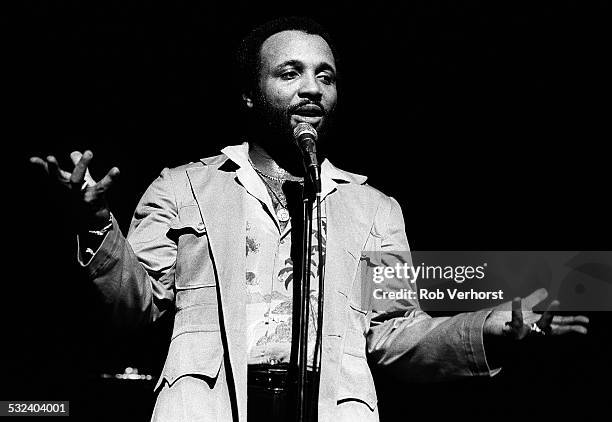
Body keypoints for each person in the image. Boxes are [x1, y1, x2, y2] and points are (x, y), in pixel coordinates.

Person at [30, 16, 589, 422]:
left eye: (326, 76)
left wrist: (487, 324)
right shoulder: (184, 187)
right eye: (290, 73)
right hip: (209, 406)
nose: (311, 89)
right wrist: (97, 222)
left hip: (332, 408)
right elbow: (138, 307)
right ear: (251, 94)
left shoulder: (373, 209)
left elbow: (391, 334)